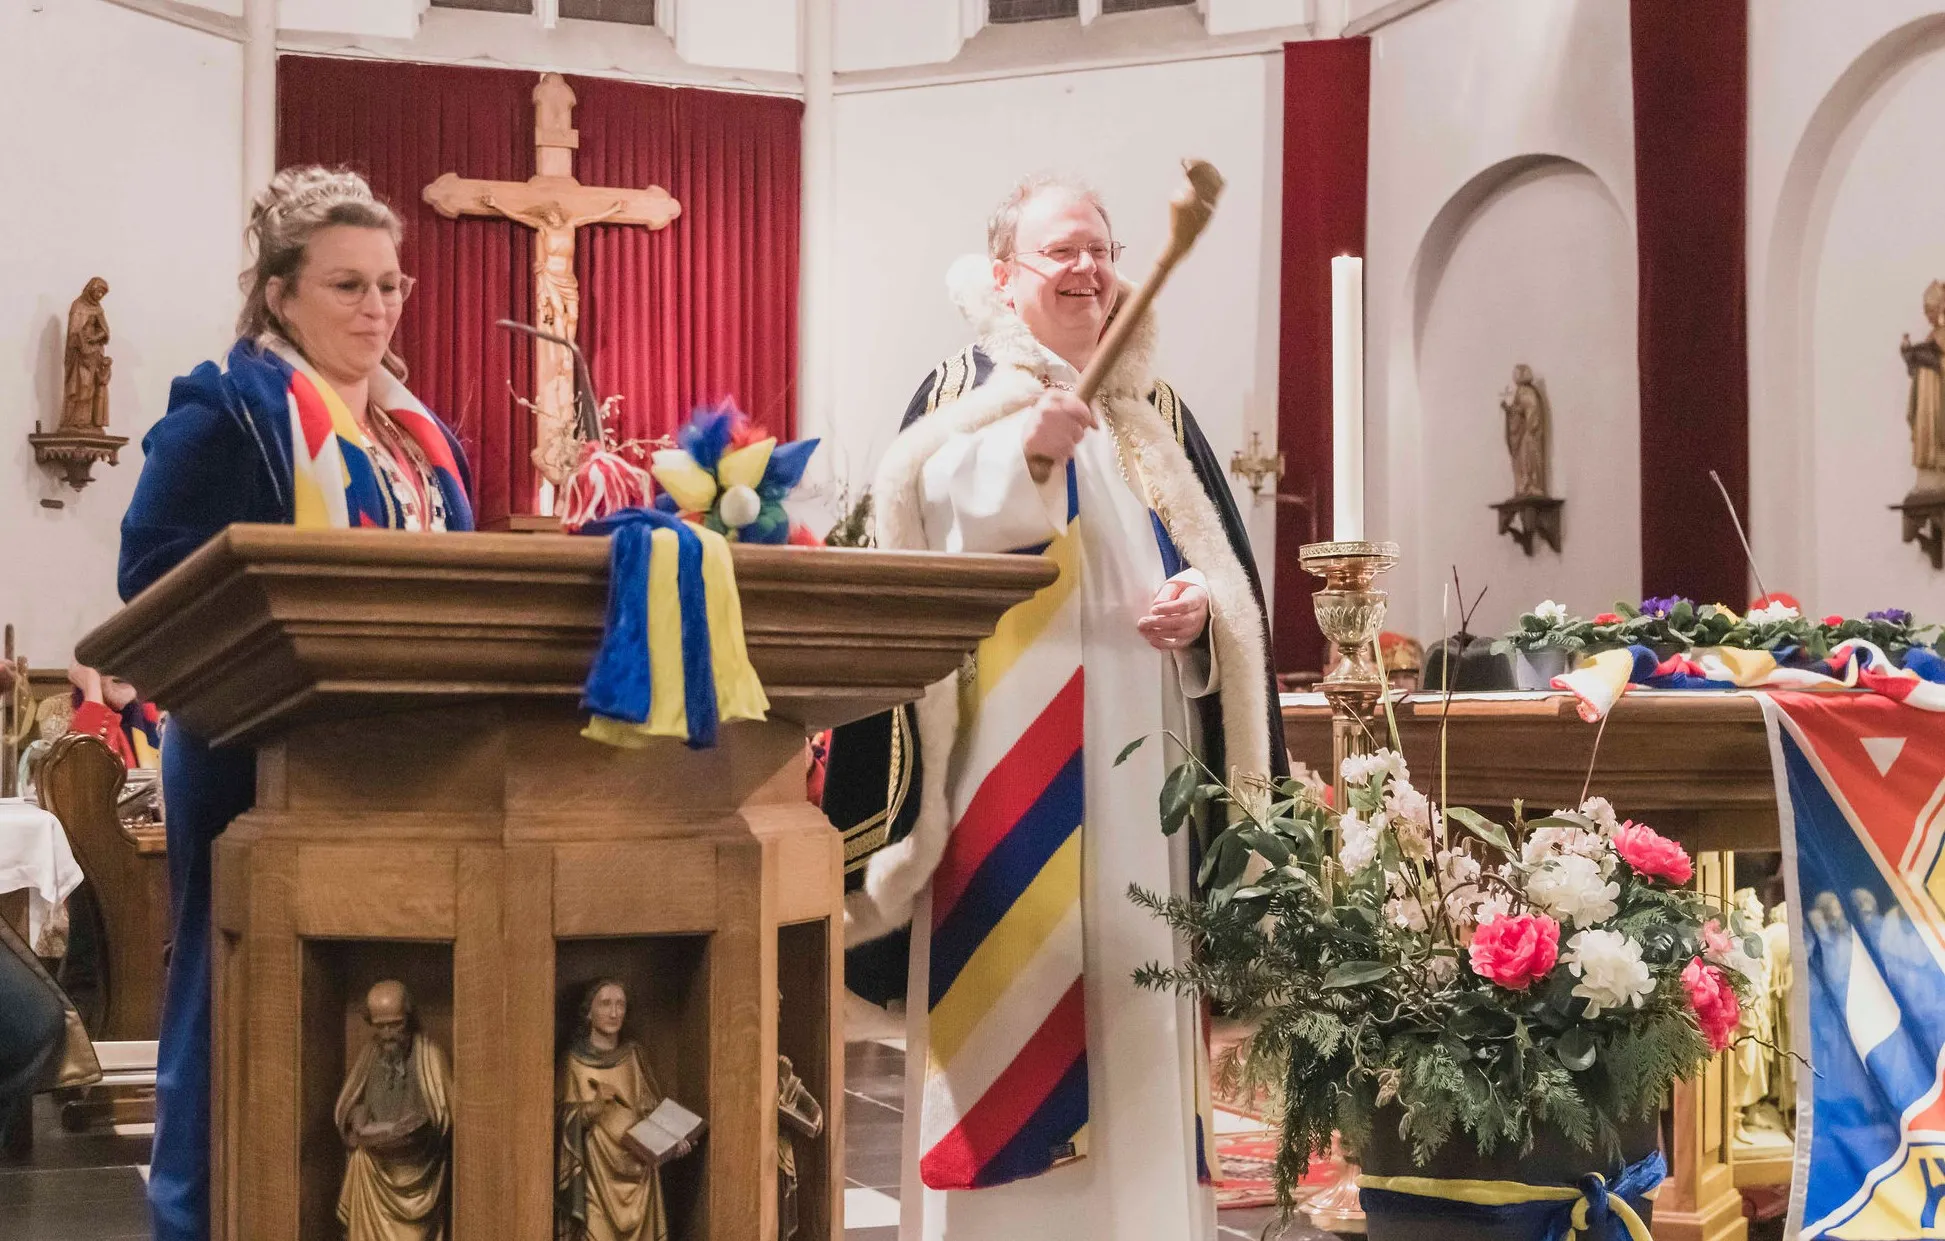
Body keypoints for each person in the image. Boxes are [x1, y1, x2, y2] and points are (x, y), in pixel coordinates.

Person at [827, 175, 1284, 1241]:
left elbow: (1219, 578)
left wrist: (1199, 612)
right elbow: (930, 518)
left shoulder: (1152, 412)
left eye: (1100, 250)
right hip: (1009, 777)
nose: (1087, 269)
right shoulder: (966, 389)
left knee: (1142, 1011)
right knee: (1013, 1029)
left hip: (1149, 783)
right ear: (1001, 275)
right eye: (1060, 252)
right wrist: (1029, 451)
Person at [119, 166, 476, 1241]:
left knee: (380, 994)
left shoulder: (419, 434)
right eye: (346, 286)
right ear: (278, 293)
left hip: (412, 752)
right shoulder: (229, 408)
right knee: (229, 995)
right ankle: (201, 1216)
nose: (376, 310)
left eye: (390, 286)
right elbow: (154, 570)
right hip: (256, 750)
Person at [555, 979, 680, 1241]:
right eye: (605, 1004)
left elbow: (651, 1111)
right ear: (589, 1011)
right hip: (596, 1177)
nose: (614, 1013)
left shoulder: (634, 1056)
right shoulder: (573, 1062)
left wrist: (674, 1140)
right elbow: (558, 1121)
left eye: (620, 1004)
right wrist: (593, 1107)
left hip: (638, 1176)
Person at [334, 980, 452, 1241]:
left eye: (395, 1025)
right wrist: (357, 1115)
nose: (387, 1034)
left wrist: (417, 1128)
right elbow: (350, 1102)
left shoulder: (430, 1057)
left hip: (417, 1169)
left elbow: (444, 1116)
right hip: (374, 1169)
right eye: (380, 1026)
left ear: (409, 1019)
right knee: (361, 1159)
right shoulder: (370, 1054)